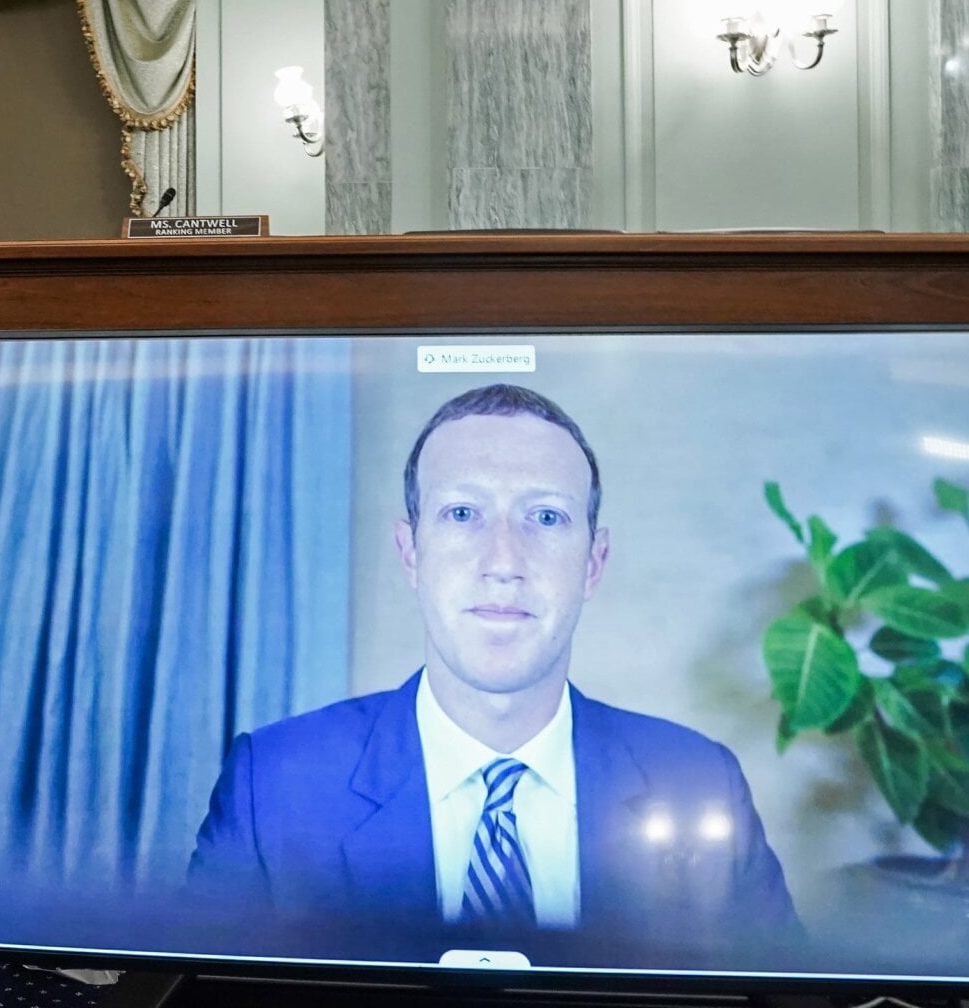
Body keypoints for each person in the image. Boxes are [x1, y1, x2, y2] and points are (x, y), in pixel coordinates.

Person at [187, 384, 799, 965]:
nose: (503, 562)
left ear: (594, 562)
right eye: (461, 513)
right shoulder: (271, 786)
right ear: (410, 555)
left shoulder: (701, 781)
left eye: (547, 518)